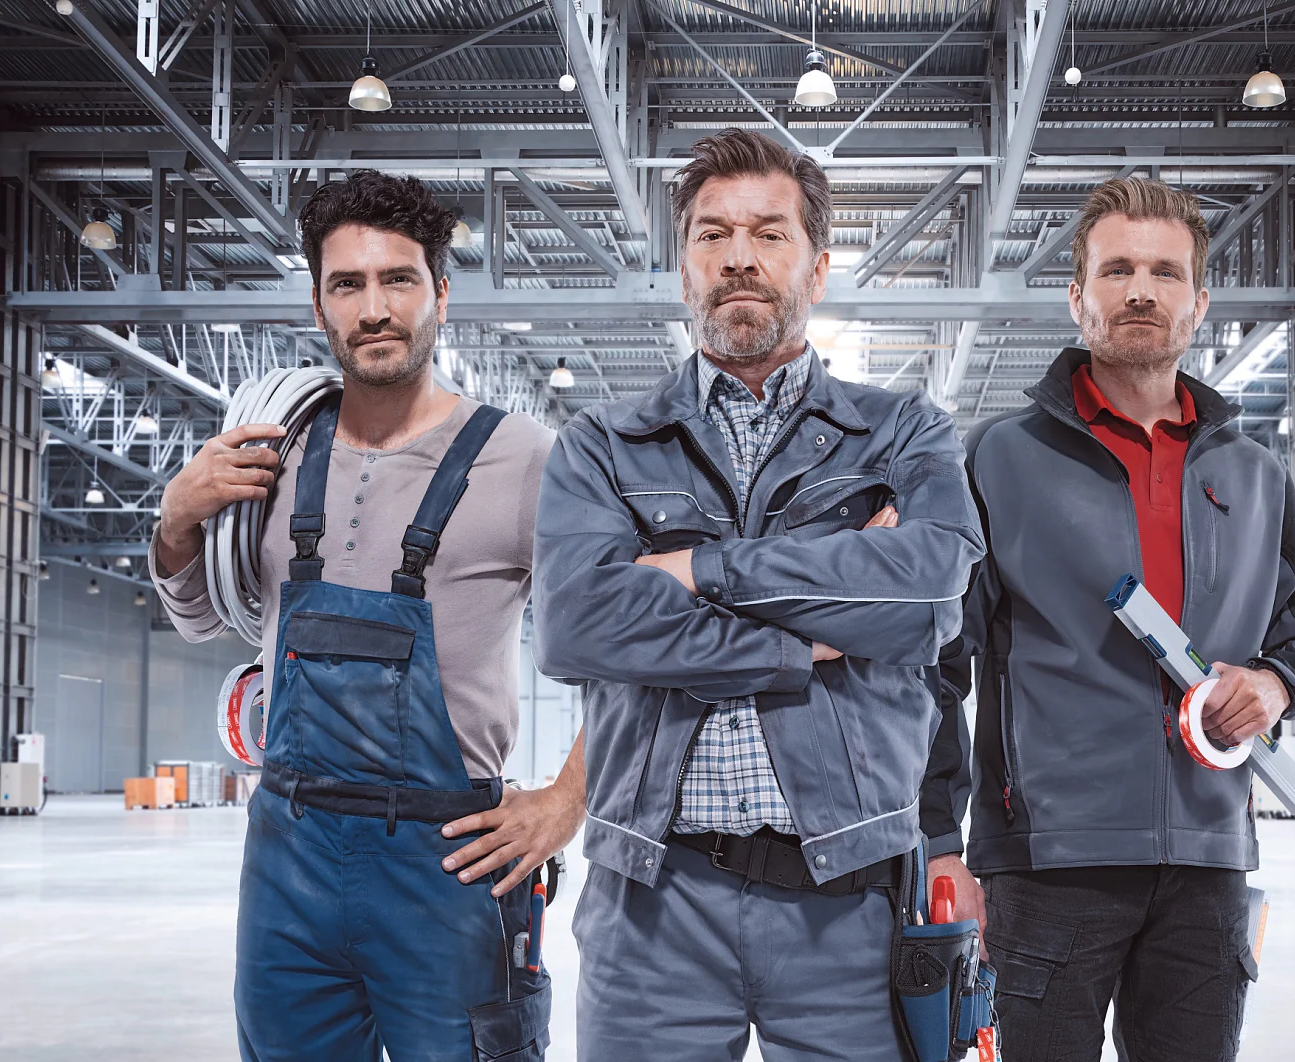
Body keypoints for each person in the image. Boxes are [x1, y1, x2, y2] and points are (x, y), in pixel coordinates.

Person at [530, 129, 985, 1062]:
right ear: (682, 268)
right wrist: (805, 634)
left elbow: (929, 594)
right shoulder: (602, 446)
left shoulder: (903, 432)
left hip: (848, 897)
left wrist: (700, 571)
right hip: (649, 903)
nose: (738, 256)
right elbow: (574, 627)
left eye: (768, 234)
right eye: (711, 235)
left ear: (816, 268)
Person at [151, 170, 576, 1062]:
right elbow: (200, 619)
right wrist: (177, 521)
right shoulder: (270, 451)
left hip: (447, 858)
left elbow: (630, 641)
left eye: (398, 280)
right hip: (289, 852)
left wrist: (567, 800)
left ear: (440, 295)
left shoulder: (526, 459)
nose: (373, 307)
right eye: (348, 284)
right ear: (320, 304)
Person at [921, 176, 1295, 1062]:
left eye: (1165, 271)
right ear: (1078, 297)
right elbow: (936, 663)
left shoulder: (1257, 476)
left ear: (1199, 301)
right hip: (1045, 867)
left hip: (1210, 865)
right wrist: (937, 837)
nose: (1141, 291)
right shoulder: (1000, 459)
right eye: (1116, 271)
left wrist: (1273, 684)